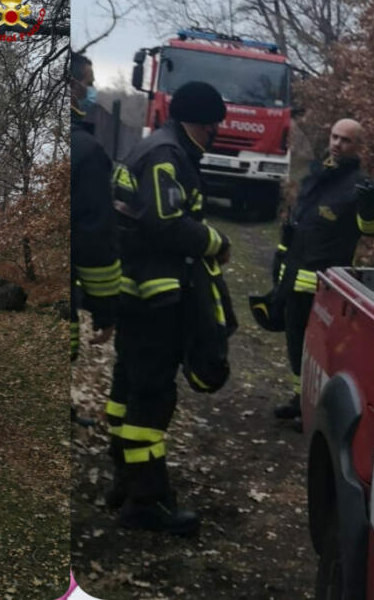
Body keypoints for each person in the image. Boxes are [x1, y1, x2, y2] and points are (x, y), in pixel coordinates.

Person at [107, 81, 232, 534]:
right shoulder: (167, 156)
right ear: (202, 123)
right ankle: (146, 501)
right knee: (152, 396)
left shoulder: (154, 147)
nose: (216, 132)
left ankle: (123, 476)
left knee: (127, 388)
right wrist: (216, 242)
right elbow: (167, 222)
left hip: (134, 293)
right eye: (213, 125)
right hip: (154, 297)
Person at [273, 119, 374, 421]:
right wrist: (281, 256)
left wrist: (369, 206)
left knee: (322, 350)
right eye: (335, 137)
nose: (337, 144)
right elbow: (298, 219)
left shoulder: (361, 186)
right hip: (294, 275)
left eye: (346, 140)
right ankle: (299, 399)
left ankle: (315, 409)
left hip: (325, 285)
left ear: (358, 147)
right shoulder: (317, 175)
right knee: (295, 342)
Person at [70, 51, 124, 442]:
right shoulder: (88, 152)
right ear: (73, 86)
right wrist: (106, 309)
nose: (92, 90)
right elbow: (94, 233)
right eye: (88, 82)